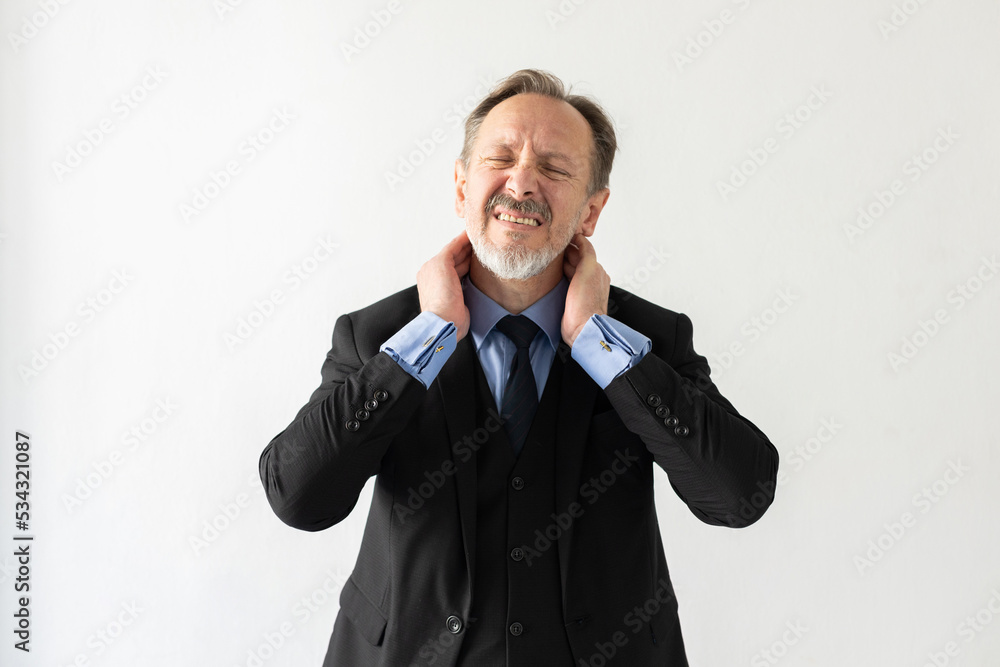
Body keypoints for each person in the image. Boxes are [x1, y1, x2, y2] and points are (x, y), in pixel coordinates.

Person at [259, 68, 778, 666]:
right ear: (462, 188)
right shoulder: (378, 337)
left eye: (554, 168)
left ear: (591, 211)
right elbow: (298, 499)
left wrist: (601, 345)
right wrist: (427, 339)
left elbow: (740, 497)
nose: (522, 181)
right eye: (500, 158)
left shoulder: (649, 339)